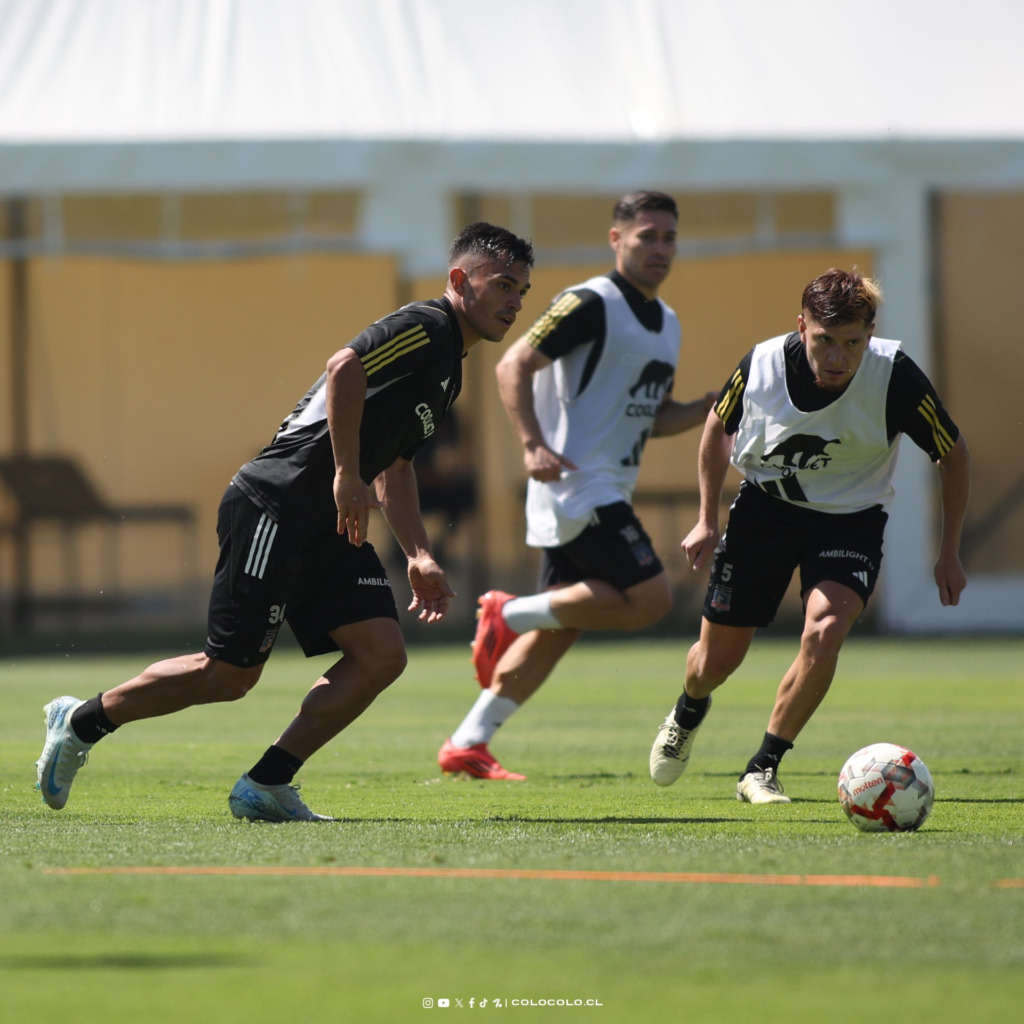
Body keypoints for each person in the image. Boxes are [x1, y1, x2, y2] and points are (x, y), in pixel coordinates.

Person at [36, 222, 534, 821]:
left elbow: (397, 467)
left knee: (381, 653)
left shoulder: (449, 368)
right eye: (502, 284)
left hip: (330, 525)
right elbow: (344, 366)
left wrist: (417, 553)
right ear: (460, 280)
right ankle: (81, 719)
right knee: (228, 675)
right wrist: (345, 475)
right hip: (277, 502)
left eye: (522, 292)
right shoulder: (429, 326)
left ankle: (267, 783)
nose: (513, 302)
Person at [649, 268, 970, 804]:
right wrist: (707, 518)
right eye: (825, 341)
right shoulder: (762, 364)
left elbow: (953, 454)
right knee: (714, 664)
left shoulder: (895, 375)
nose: (839, 358)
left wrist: (949, 551)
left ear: (870, 333)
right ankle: (688, 709)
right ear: (801, 328)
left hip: (851, 519)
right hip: (764, 513)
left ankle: (762, 767)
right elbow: (715, 428)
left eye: (853, 343)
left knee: (824, 631)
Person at [437, 190, 716, 781]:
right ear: (617, 240)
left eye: (669, 237)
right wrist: (533, 443)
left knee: (561, 628)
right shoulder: (590, 302)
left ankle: (468, 741)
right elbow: (513, 364)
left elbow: (652, 417)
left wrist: (713, 407)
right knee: (651, 600)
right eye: (647, 236)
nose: (660, 248)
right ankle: (508, 612)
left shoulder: (668, 324)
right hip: (578, 486)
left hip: (604, 485)